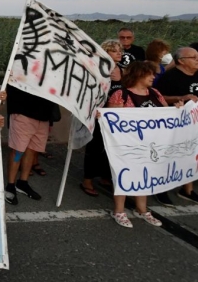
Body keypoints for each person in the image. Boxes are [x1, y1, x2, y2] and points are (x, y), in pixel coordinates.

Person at [105, 61, 168, 228]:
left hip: (151, 143)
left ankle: (142, 209)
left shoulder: (155, 93)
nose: (154, 77)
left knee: (146, 175)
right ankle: (119, 210)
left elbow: (167, 114)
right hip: (127, 145)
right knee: (124, 175)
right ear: (139, 74)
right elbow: (110, 120)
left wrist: (179, 109)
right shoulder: (121, 94)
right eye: (150, 74)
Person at [153, 46, 198, 204]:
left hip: (193, 123)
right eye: (193, 57)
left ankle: (188, 189)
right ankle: (161, 188)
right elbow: (159, 97)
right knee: (170, 154)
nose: (197, 60)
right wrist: (182, 97)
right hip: (175, 123)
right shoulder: (170, 77)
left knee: (191, 154)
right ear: (181, 61)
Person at [81, 39, 124, 197]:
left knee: (110, 148)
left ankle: (105, 175)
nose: (119, 52)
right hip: (99, 115)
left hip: (116, 118)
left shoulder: (122, 69)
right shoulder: (98, 69)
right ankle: (87, 180)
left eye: (120, 50)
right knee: (94, 147)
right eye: (114, 50)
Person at [4, 85, 57, 204]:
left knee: (32, 150)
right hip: (23, 111)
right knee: (18, 150)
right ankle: (10, 185)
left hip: (43, 114)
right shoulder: (19, 66)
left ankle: (23, 182)